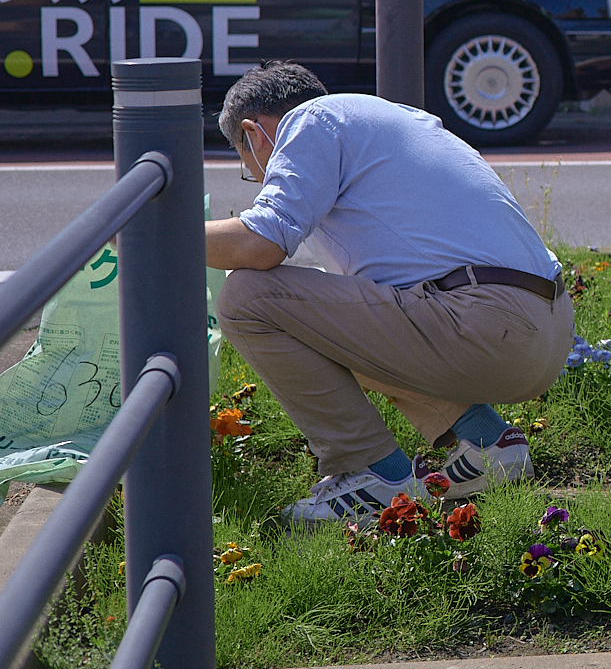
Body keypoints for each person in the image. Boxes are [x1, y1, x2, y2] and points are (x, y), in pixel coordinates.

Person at [205, 61, 573, 524]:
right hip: (543, 326)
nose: (262, 179)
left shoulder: (309, 122)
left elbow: (260, 244)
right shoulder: (383, 121)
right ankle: (487, 443)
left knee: (247, 297)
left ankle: (373, 475)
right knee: (325, 320)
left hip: (487, 320)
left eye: (252, 169)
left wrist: (158, 232)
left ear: (253, 133)